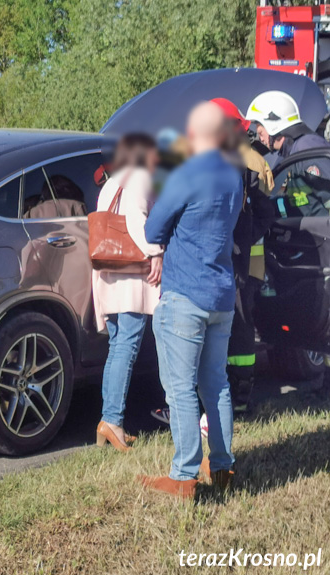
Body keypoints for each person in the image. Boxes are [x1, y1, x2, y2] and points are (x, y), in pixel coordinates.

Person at [139, 102, 243, 499]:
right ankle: (222, 467)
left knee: (180, 389)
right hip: (221, 294)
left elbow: (153, 227)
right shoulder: (234, 176)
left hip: (185, 294)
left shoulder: (188, 172)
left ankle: (183, 476)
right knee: (216, 384)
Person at [92, 134, 164, 452]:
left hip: (110, 272)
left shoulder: (112, 182)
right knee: (128, 348)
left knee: (117, 346)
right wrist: (155, 252)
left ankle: (108, 421)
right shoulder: (139, 180)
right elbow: (137, 221)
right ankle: (113, 422)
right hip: (131, 276)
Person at [213, 98, 276, 414]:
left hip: (239, 260)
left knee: (238, 320)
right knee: (233, 320)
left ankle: (239, 392)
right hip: (235, 257)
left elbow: (265, 212)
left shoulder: (248, 163)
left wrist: (242, 238)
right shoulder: (243, 160)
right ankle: (232, 391)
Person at [245, 90, 330, 217]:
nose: (260, 139)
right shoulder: (295, 151)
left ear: (273, 126)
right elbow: (299, 199)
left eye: (261, 133)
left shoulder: (306, 151)